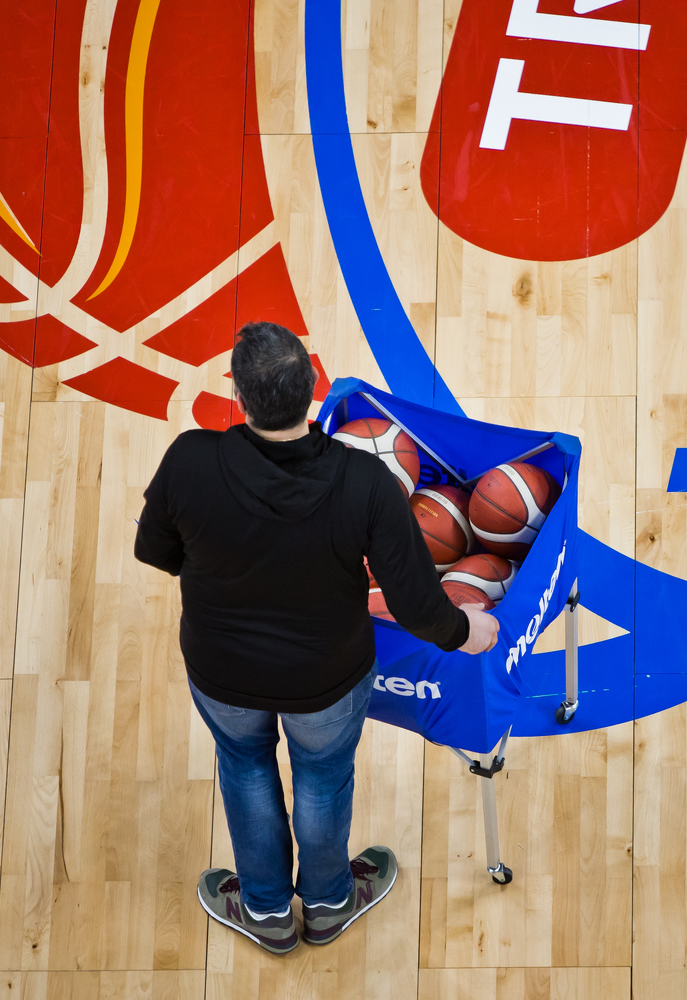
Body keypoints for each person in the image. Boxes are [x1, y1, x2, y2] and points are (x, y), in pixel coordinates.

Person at [134, 321, 500, 955]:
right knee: (323, 778)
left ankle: (266, 910)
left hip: (222, 673)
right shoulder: (365, 484)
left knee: (244, 766)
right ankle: (329, 904)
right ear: (312, 391)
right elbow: (417, 608)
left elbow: (155, 551)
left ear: (238, 396)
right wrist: (469, 631)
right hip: (327, 679)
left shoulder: (189, 460)